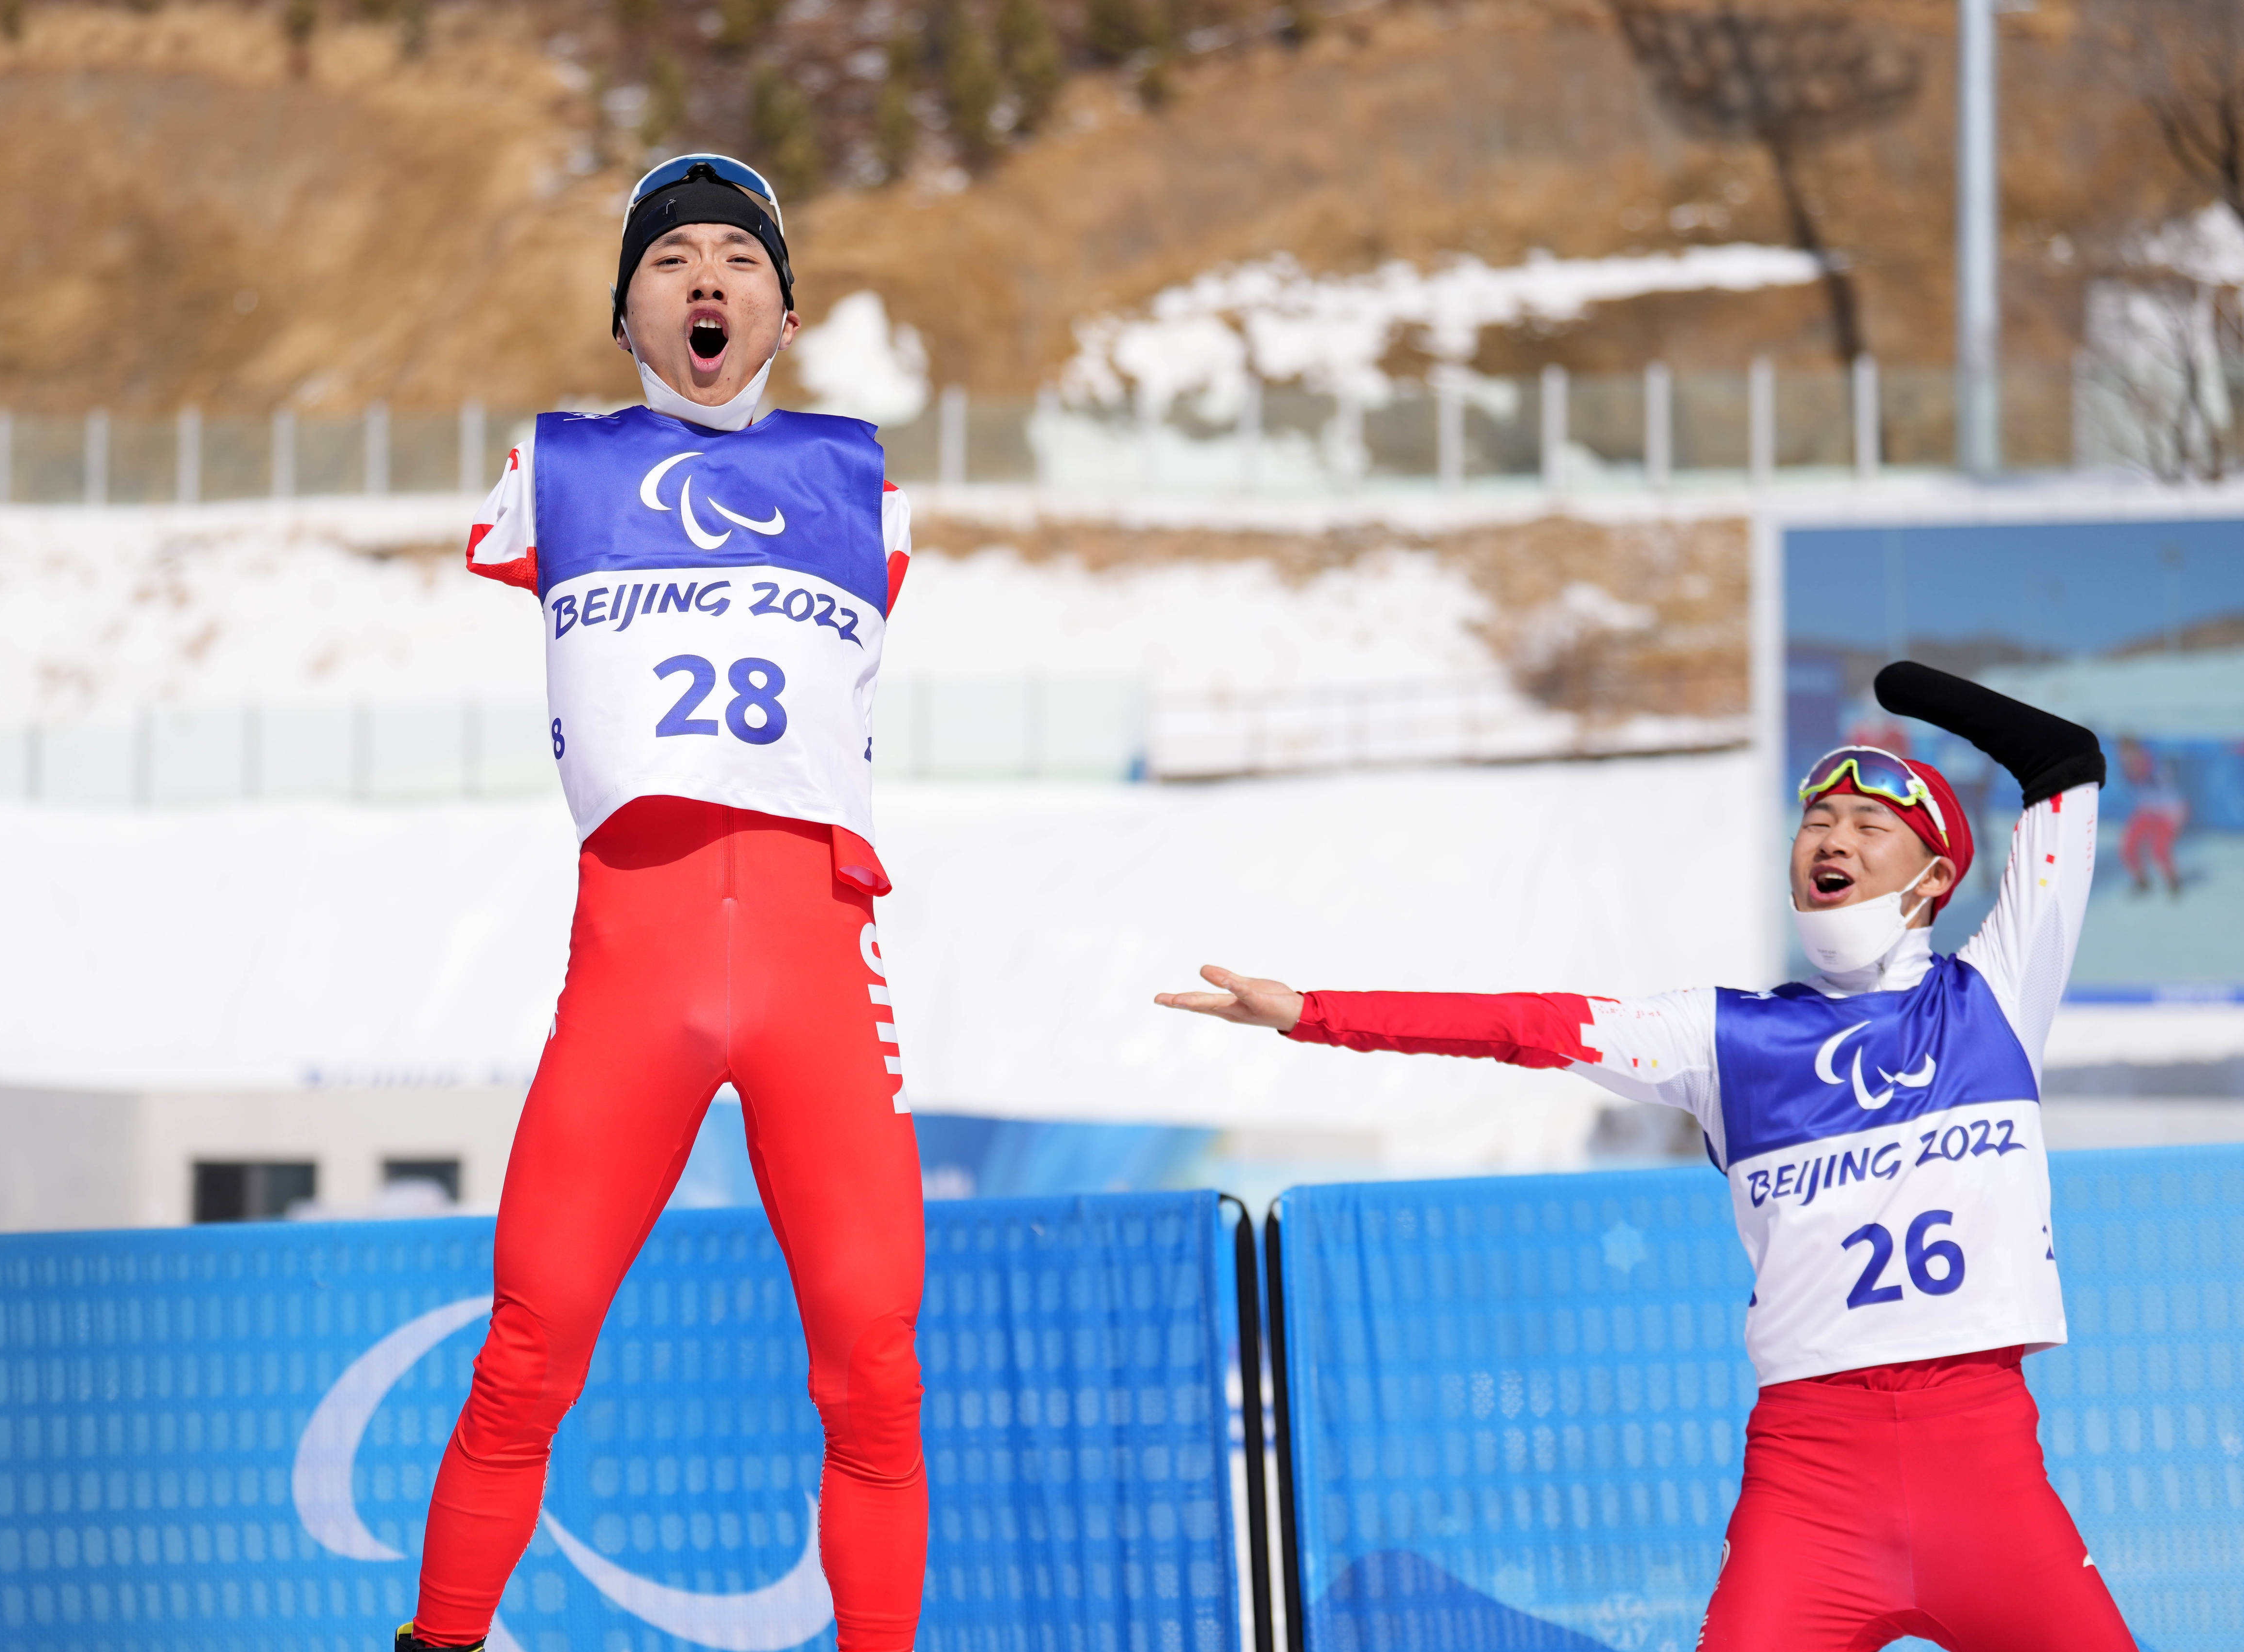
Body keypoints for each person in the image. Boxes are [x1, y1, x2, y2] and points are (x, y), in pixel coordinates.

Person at [1159, 661, 2136, 1652]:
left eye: (1868, 823)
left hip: (1980, 1460)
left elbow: (2062, 765)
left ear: (1935, 879)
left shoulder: (1997, 994)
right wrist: (1314, 1013)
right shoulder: (1724, 1036)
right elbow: (1524, 1026)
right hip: (1813, 1479)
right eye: (1815, 821)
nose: (1832, 837)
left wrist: (1913, 692)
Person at [396, 155, 926, 1652]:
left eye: (739, 259)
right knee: (525, 1360)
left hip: (824, 958)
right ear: (624, 307)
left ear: (786, 307)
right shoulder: (550, 470)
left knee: (875, 1373)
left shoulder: (859, 477)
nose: (707, 279)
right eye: (671, 258)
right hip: (632, 956)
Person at [2116, 735, 2186, 897]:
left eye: (2126, 753)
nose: (2123, 757)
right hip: (2147, 811)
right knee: (2128, 848)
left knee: (2159, 851)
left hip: (2169, 812)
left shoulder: (2151, 763)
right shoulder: (2129, 766)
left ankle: (2173, 882)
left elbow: (2153, 778)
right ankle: (2142, 881)